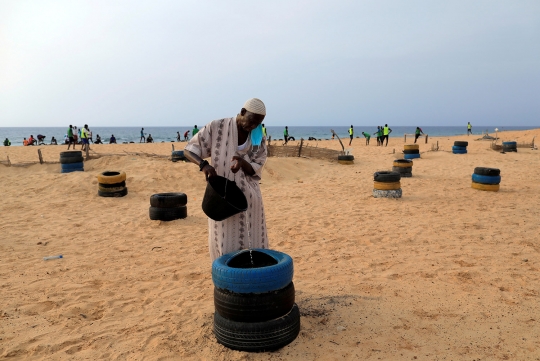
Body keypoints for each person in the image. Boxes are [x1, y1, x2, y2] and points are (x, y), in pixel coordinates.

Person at [184, 98, 269, 261]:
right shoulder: (217, 127)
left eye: (257, 124)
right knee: (224, 239)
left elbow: (257, 165)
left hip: (249, 199)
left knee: (255, 241)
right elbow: (189, 150)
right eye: (251, 122)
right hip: (222, 199)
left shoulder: (258, 136)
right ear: (243, 112)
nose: (253, 127)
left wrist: (243, 163)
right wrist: (203, 165)